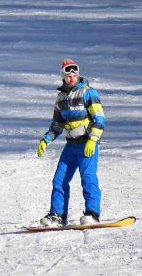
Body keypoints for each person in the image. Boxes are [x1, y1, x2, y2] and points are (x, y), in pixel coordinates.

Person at [35, 58, 105, 227]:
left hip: (87, 144)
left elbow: (99, 118)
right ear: (63, 77)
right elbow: (57, 124)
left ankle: (92, 214)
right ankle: (58, 216)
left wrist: (93, 140)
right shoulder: (61, 98)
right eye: (68, 75)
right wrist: (46, 140)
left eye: (74, 74)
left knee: (88, 178)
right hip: (71, 145)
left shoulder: (88, 93)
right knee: (59, 180)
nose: (72, 77)